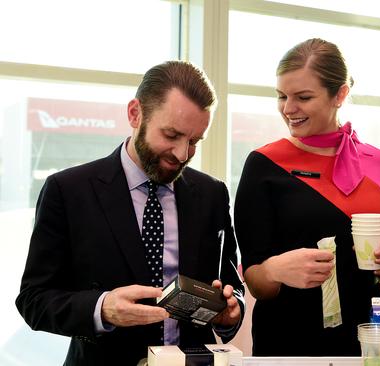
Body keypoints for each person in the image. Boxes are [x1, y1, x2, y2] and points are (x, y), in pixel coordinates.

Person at [15, 60, 245, 365]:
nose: (182, 154)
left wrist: (230, 312)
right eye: (171, 135)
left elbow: (230, 285)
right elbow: (34, 299)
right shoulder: (68, 190)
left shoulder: (212, 194)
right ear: (135, 114)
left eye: (194, 141)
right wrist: (102, 307)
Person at [234, 38, 380, 356]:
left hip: (366, 340)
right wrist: (274, 270)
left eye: (303, 97)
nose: (288, 108)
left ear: (340, 94)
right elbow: (255, 281)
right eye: (281, 96)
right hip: (286, 342)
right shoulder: (263, 165)